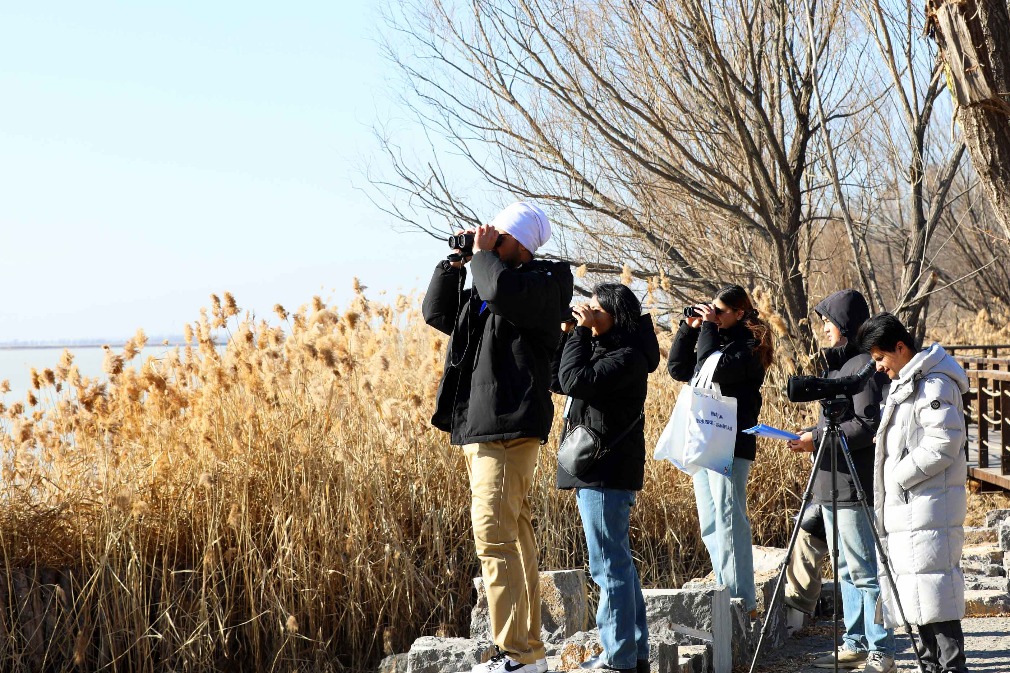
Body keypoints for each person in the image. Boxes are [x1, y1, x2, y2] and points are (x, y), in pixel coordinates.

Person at [423, 201, 575, 673]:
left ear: (522, 245)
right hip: (483, 426)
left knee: (492, 536)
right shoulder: (491, 289)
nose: (489, 243)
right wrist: (456, 262)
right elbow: (436, 311)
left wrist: (484, 258)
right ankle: (528, 653)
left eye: (499, 238)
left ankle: (518, 654)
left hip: (510, 425)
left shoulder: (545, 284)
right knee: (514, 536)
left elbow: (501, 288)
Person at [550, 284, 660, 673]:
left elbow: (578, 381)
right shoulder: (608, 350)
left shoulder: (627, 357)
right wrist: (569, 335)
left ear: (615, 316)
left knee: (608, 567)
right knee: (620, 566)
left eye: (595, 310)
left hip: (606, 474)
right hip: (603, 472)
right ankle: (635, 652)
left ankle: (619, 659)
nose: (588, 314)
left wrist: (581, 333)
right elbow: (559, 378)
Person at [786, 290, 895, 672]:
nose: (824, 328)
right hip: (830, 484)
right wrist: (809, 434)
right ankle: (856, 642)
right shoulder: (838, 367)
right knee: (846, 570)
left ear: (846, 325)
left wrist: (815, 439)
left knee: (865, 571)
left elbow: (866, 426)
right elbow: (836, 423)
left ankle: (882, 648)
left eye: (828, 321)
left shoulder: (864, 366)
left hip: (853, 485)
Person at [856, 313, 970, 673]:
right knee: (918, 598)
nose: (878, 367)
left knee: (936, 597)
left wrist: (898, 475)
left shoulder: (933, 384)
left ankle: (950, 668)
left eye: (880, 358)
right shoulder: (910, 381)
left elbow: (943, 443)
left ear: (900, 348)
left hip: (927, 508)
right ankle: (932, 667)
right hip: (913, 510)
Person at [667, 285, 772, 614]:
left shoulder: (749, 346)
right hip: (705, 440)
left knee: (730, 518)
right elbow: (679, 370)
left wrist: (709, 329)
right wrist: (689, 329)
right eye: (711, 310)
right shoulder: (717, 340)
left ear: (739, 313)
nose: (713, 316)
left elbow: (720, 368)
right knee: (711, 522)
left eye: (720, 312)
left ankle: (744, 600)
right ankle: (725, 592)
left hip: (732, 443)